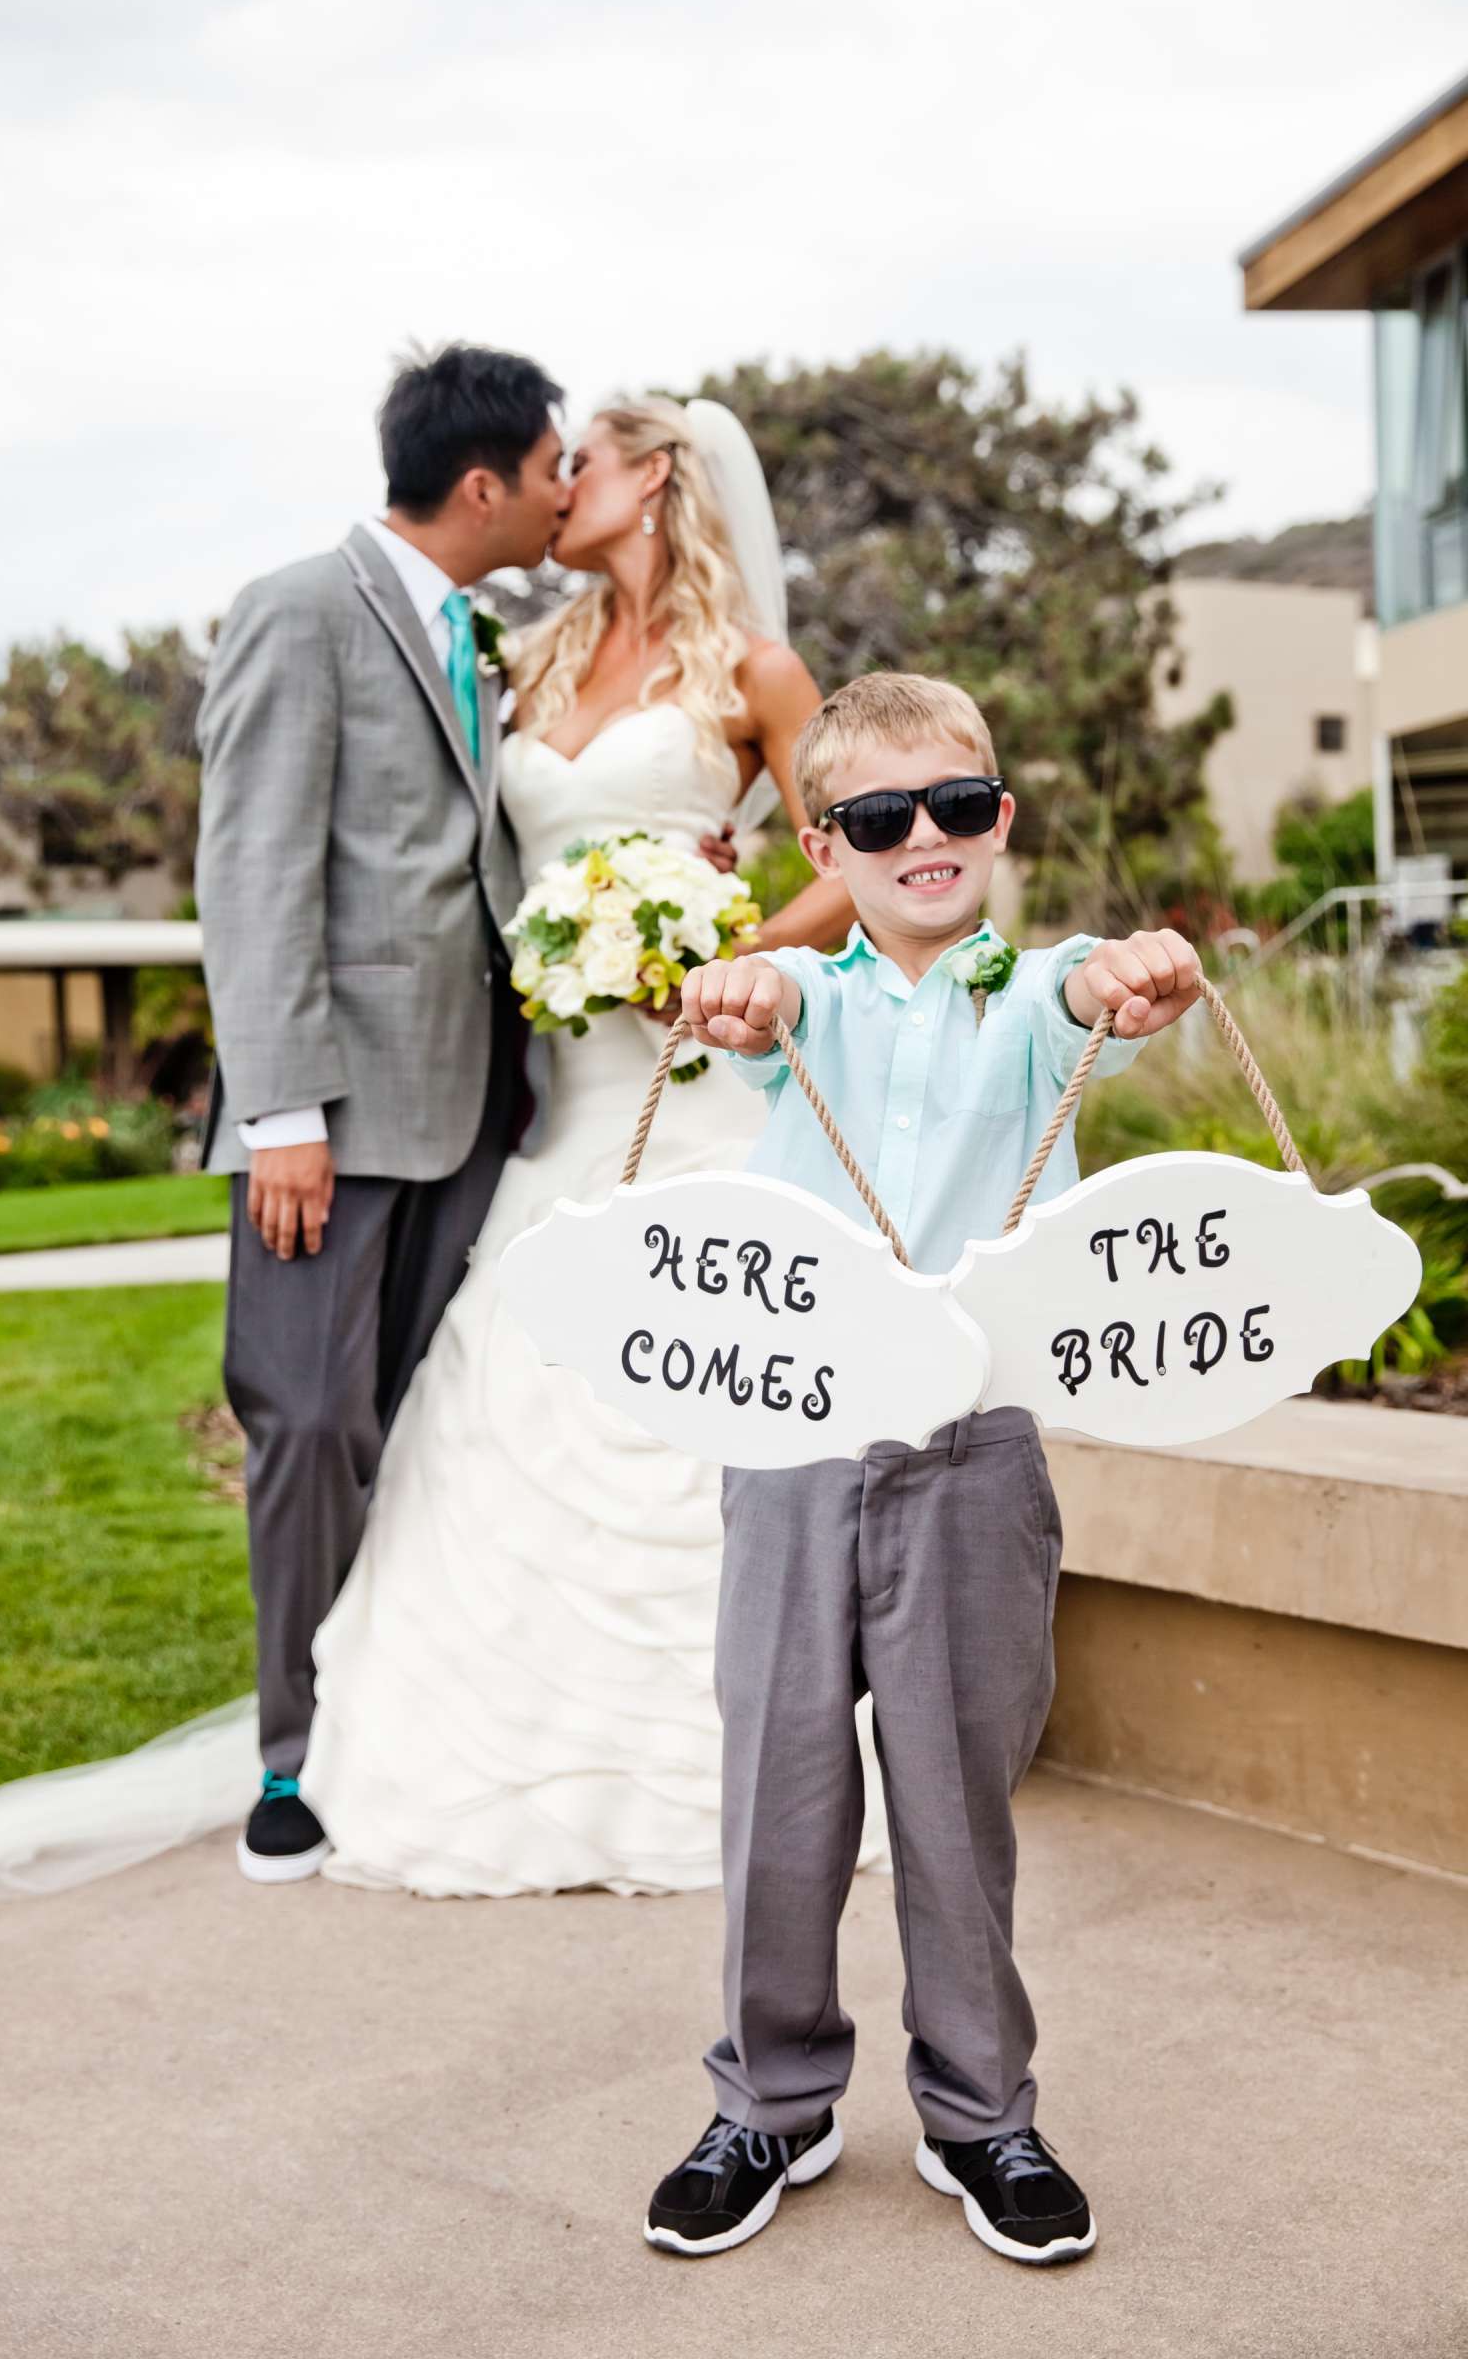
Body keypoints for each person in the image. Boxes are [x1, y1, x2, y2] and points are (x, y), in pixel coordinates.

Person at [644, 672, 1202, 2264]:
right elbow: (762, 1013)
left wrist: (1138, 973)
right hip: (797, 1444)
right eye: (881, 819)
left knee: (957, 1800)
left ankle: (982, 2113)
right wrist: (742, 991)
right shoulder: (808, 996)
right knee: (782, 1787)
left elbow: (1101, 989)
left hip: (974, 1449)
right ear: (832, 841)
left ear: (999, 817)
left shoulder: (1034, 994)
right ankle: (772, 2096)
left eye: (957, 805)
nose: (925, 840)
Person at [297, 394, 875, 1895]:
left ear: (655, 477)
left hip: (695, 1092)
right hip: (557, 1093)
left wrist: (726, 944)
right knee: (516, 1366)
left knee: (692, 1389)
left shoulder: (755, 669)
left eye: (585, 465)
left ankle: (740, 1753)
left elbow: (858, 858)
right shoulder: (528, 655)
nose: (559, 489)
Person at [193, 344, 570, 1882]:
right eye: (551, 470)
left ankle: (392, 1717)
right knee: (307, 1421)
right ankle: (292, 1751)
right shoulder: (299, 609)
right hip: (333, 1119)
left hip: (477, 1105)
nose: (562, 496)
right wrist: (283, 1105)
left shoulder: (482, 632)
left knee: (415, 1428)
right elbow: (253, 864)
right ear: (481, 482)